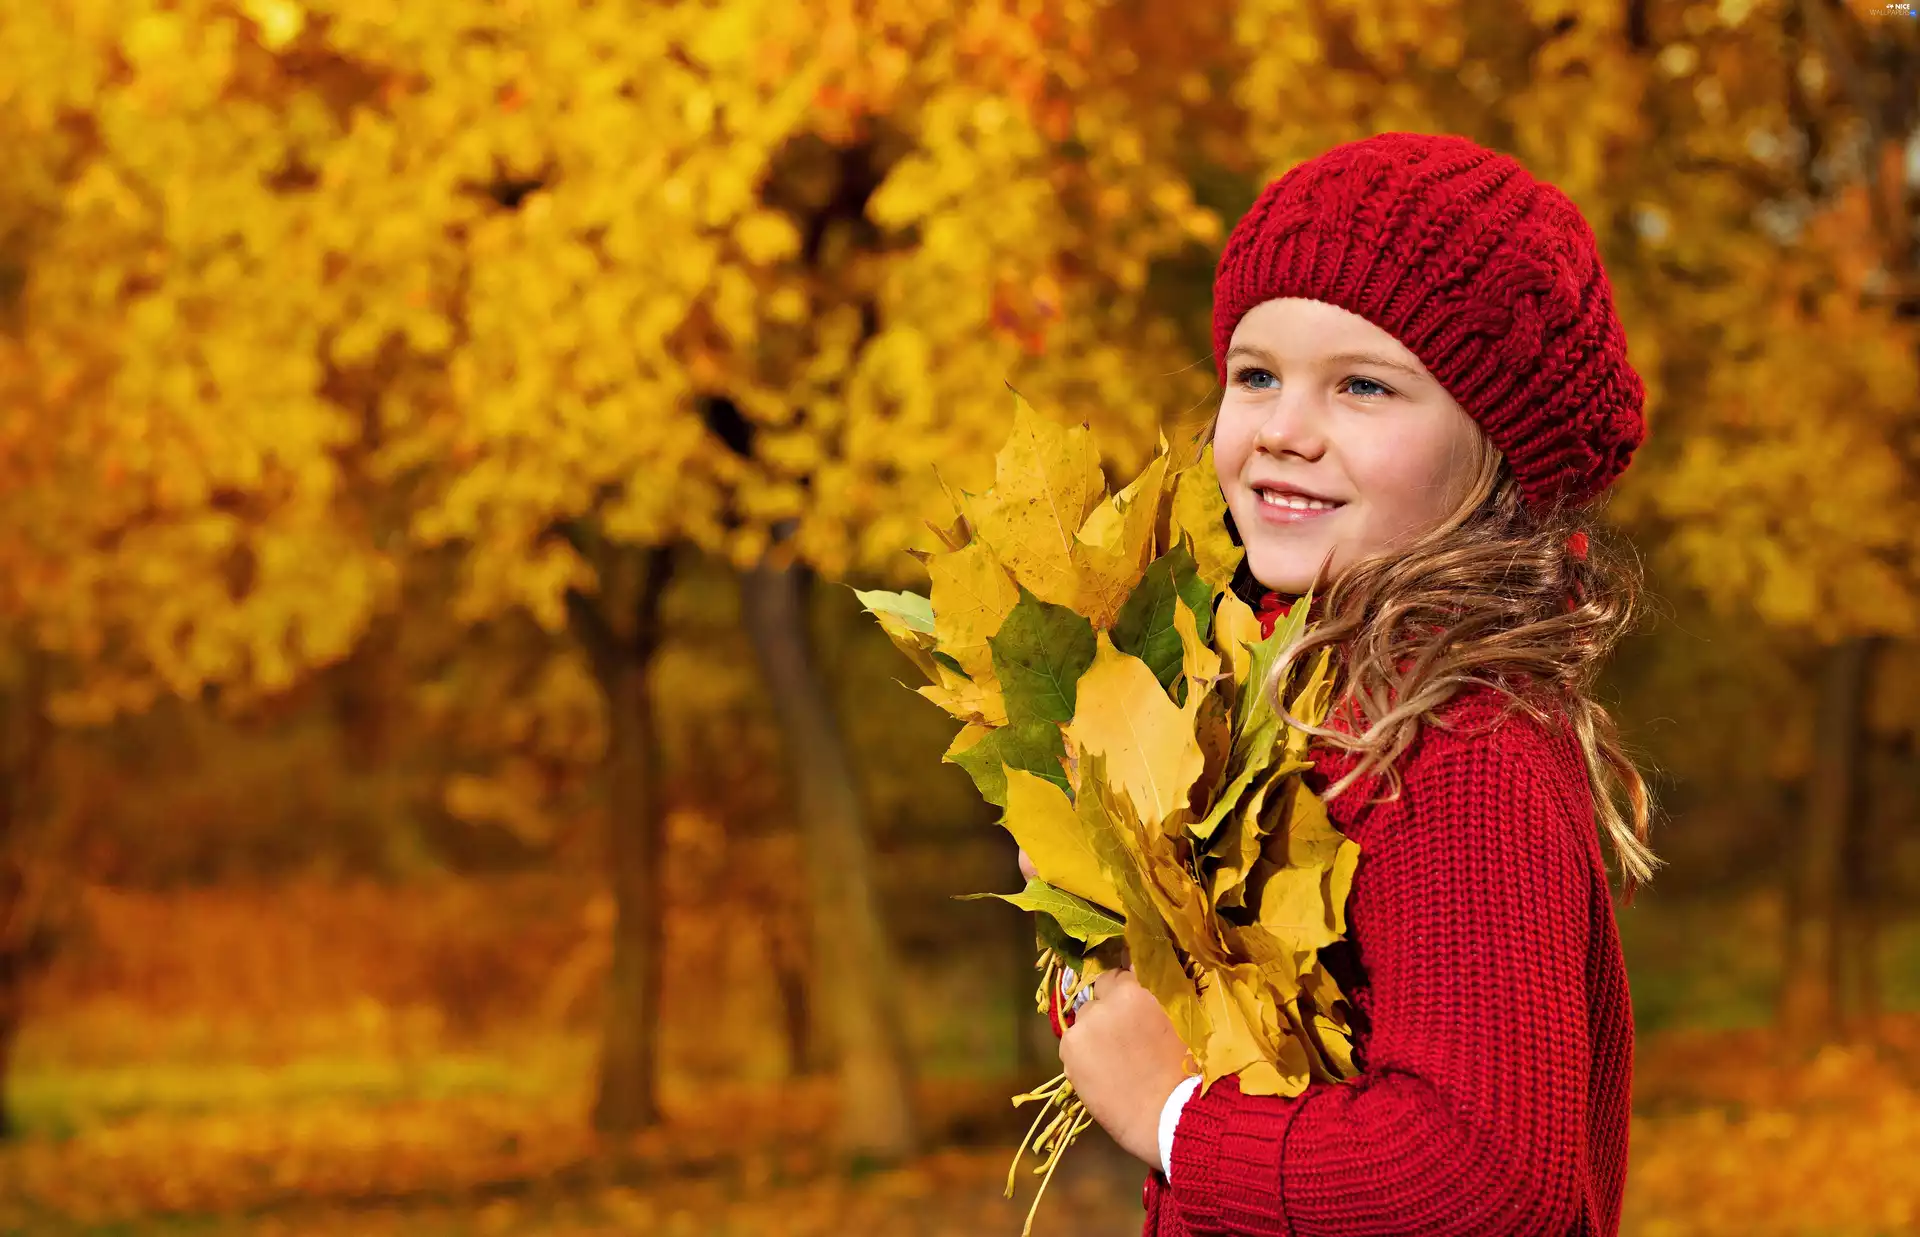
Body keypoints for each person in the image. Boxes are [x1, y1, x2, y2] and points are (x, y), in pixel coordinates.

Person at [1050, 131, 1658, 1236]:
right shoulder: (1270, 691)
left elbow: (1480, 1172)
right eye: (1257, 374)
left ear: (1498, 451)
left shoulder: (1459, 745)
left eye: (1364, 386)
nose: (1285, 429)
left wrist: (1177, 1119)